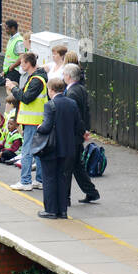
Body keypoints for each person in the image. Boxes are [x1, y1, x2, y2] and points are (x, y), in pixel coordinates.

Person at [34, 79, 83, 219]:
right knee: (63, 179)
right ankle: (62, 211)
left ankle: (50, 210)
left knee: (49, 178)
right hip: (68, 148)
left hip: (52, 148)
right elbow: (79, 125)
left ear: (51, 90)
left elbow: (47, 126)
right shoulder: (72, 103)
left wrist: (40, 127)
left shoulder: (50, 105)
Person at [8, 52, 48, 191]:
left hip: (32, 121)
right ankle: (40, 180)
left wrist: (13, 89)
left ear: (28, 63)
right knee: (38, 150)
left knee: (27, 151)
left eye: (22, 63)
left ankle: (25, 181)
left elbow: (25, 98)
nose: (20, 65)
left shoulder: (36, 80)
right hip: (37, 119)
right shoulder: (38, 77)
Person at [62, 63, 99, 203]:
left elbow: (74, 117)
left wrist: (81, 131)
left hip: (73, 136)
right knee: (77, 166)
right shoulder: (81, 89)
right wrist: (86, 129)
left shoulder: (71, 93)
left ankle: (65, 198)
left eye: (64, 74)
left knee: (67, 167)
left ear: (69, 76)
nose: (63, 76)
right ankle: (91, 192)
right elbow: (86, 111)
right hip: (78, 134)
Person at [0, 19, 25, 86]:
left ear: (13, 28)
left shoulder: (19, 41)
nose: (5, 31)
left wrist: (12, 67)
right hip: (10, 71)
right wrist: (5, 71)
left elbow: (22, 56)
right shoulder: (13, 39)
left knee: (12, 91)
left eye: (7, 29)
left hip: (15, 71)